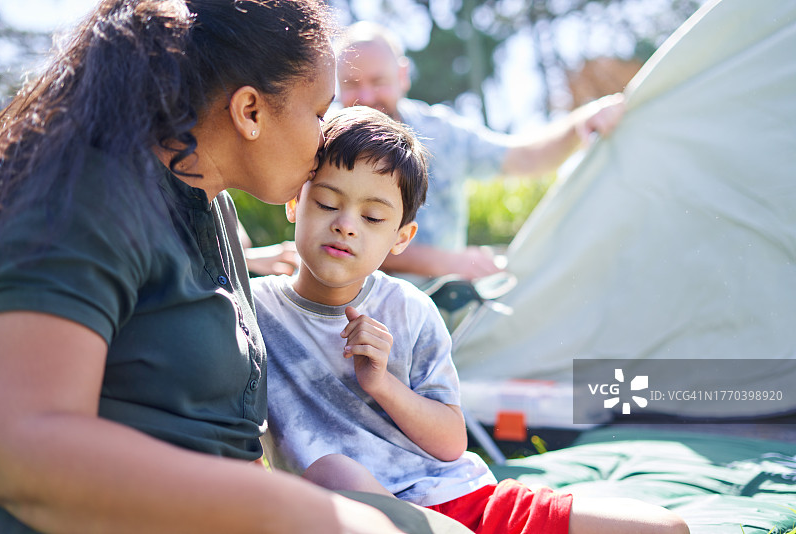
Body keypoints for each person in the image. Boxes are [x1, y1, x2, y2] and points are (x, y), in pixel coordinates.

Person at [0, 2, 469, 533]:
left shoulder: (210, 207)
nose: (322, 147)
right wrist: (290, 509)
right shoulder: (88, 197)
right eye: (318, 114)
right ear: (250, 112)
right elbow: (23, 449)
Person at [253, 106, 689, 534]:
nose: (347, 225)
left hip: (466, 500)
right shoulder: (252, 312)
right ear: (295, 202)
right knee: (335, 473)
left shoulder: (408, 309)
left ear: (401, 237)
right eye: (329, 203)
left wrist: (383, 384)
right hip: (369, 518)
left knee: (666, 528)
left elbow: (450, 442)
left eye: (372, 217)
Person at [334, 21, 627, 282]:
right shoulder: (326, 143)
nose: (367, 97)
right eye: (352, 84)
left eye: (378, 81)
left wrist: (582, 120)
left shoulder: (443, 133)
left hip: (443, 309)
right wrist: (447, 262)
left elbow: (525, 157)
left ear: (403, 75)